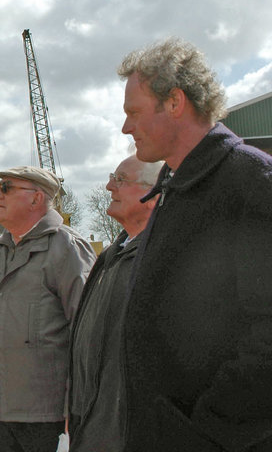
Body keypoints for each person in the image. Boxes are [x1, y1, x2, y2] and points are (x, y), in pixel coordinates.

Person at [117, 38, 272, 451]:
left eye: (133, 112)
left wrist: (204, 429)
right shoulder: (176, 189)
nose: (125, 128)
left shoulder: (252, 184)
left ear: (174, 102)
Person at [0, 166, 95, 452]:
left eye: (7, 187)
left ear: (36, 199)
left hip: (49, 416)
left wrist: (77, 411)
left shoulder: (67, 248)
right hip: (3, 410)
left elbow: (88, 336)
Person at [67, 154, 162, 451]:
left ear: (153, 194)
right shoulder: (110, 256)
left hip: (128, 433)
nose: (109, 186)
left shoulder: (160, 258)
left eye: (120, 180)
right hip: (91, 425)